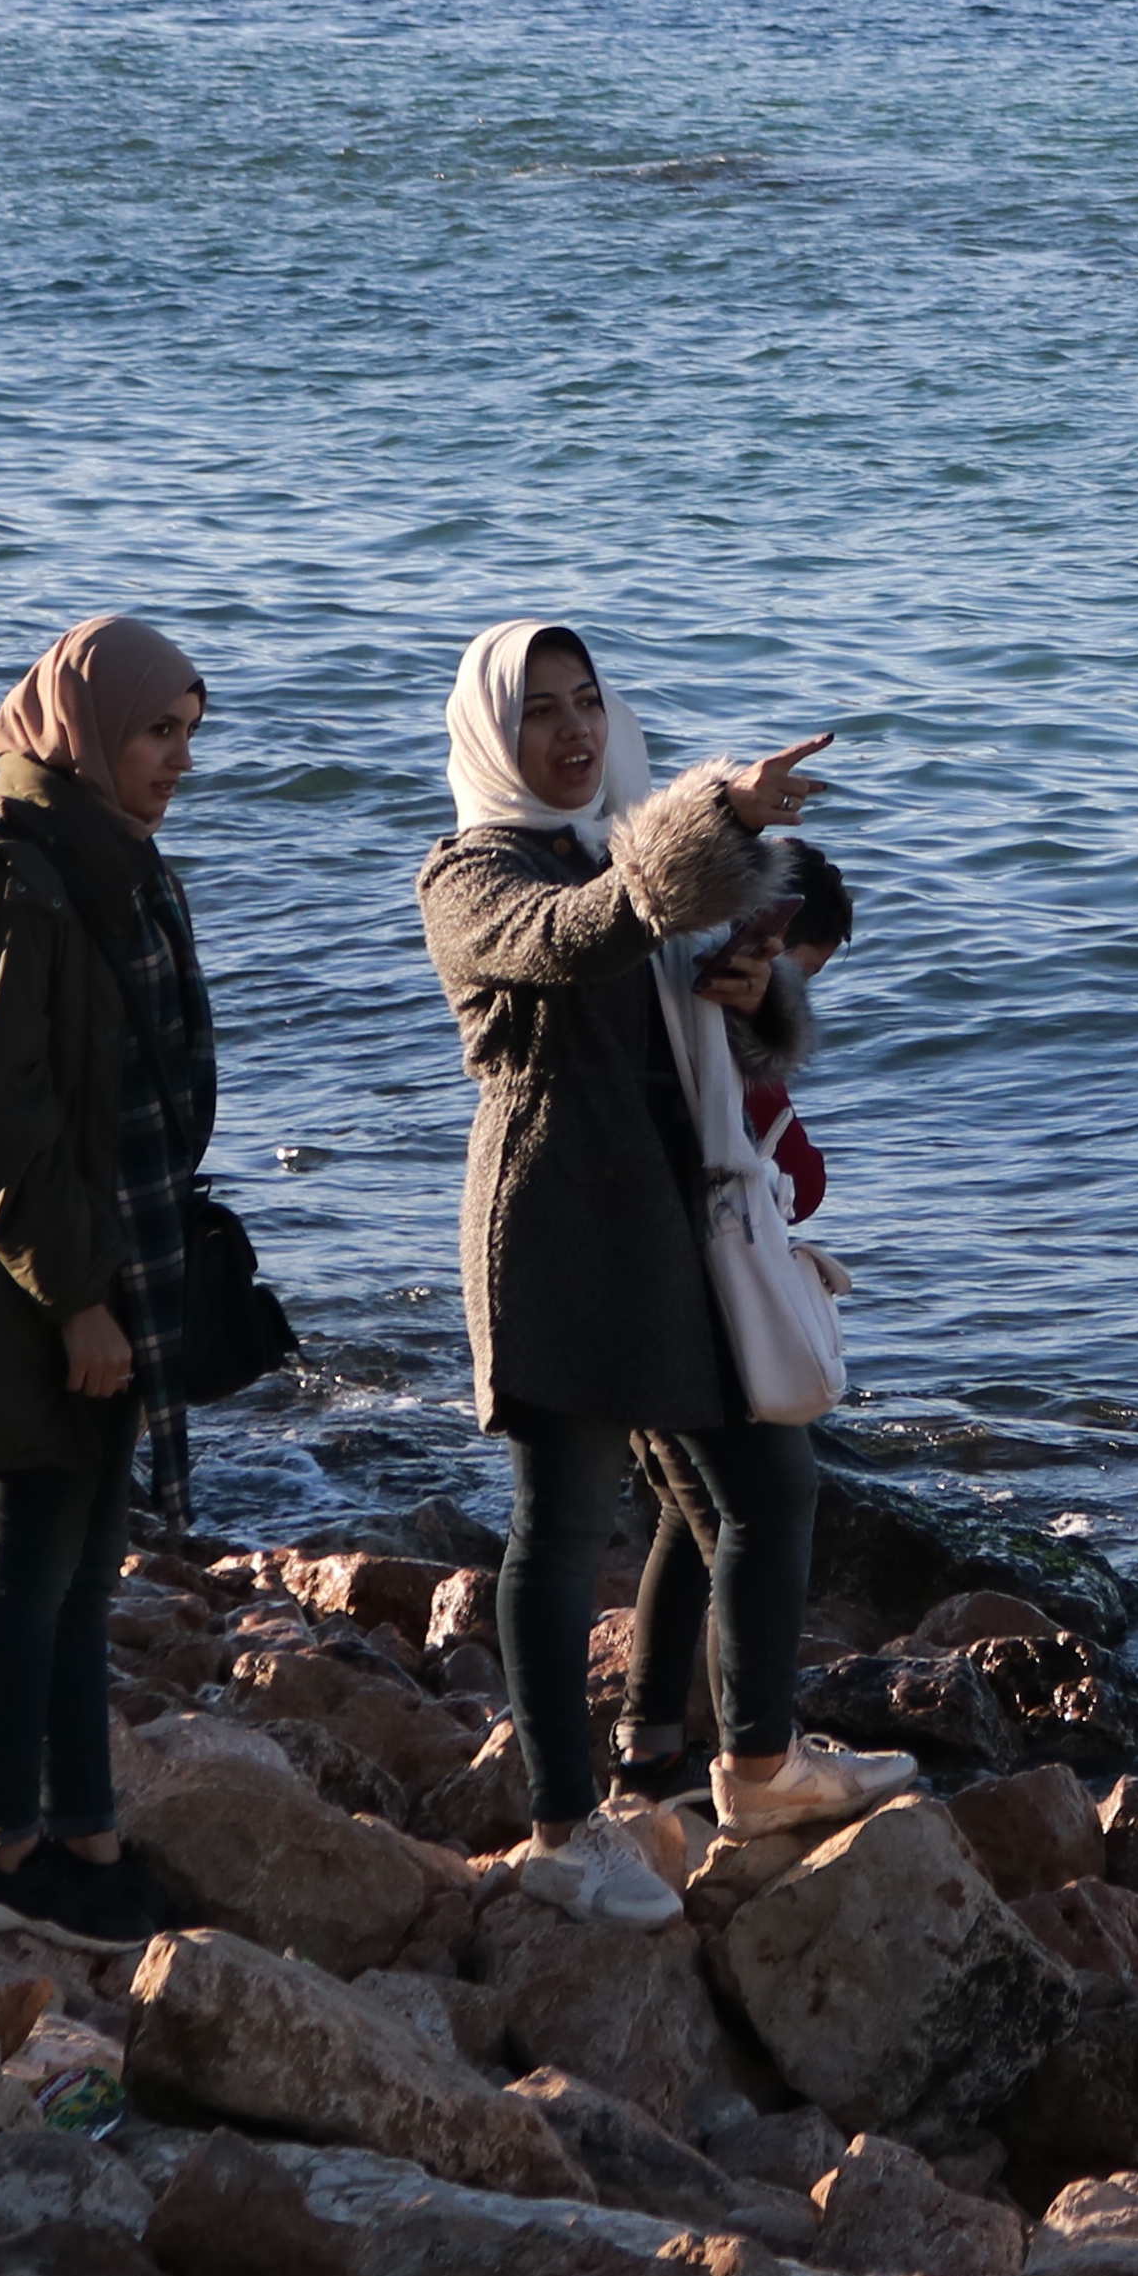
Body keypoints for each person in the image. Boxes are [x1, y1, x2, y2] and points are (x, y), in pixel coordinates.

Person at [419, 623, 916, 1924]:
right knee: (564, 1521)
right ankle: (564, 1826)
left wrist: (753, 996)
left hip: (674, 1217)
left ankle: (754, 1766)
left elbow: (712, 1039)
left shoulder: (614, 851)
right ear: (492, 733)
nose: (576, 731)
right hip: (561, 1221)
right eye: (541, 711)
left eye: (590, 702)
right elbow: (570, 938)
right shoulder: (471, 873)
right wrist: (713, 815)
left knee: (771, 1481)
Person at [0, 613, 222, 1945]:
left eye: (189, 732)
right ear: (83, 733)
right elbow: (2, 1123)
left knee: (90, 1566)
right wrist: (78, 1295)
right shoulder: (15, 888)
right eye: (155, 731)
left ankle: (84, 1832)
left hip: (117, 1251)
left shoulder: (121, 865)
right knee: (26, 1564)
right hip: (35, 1278)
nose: (177, 758)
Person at [616, 840, 853, 1809]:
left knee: (682, 1507)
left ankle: (651, 1745)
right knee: (769, 1501)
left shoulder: (655, 977)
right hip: (694, 1293)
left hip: (621, 1280)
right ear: (777, 932)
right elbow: (788, 1169)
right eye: (804, 972)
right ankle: (760, 1761)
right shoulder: (723, 1015)